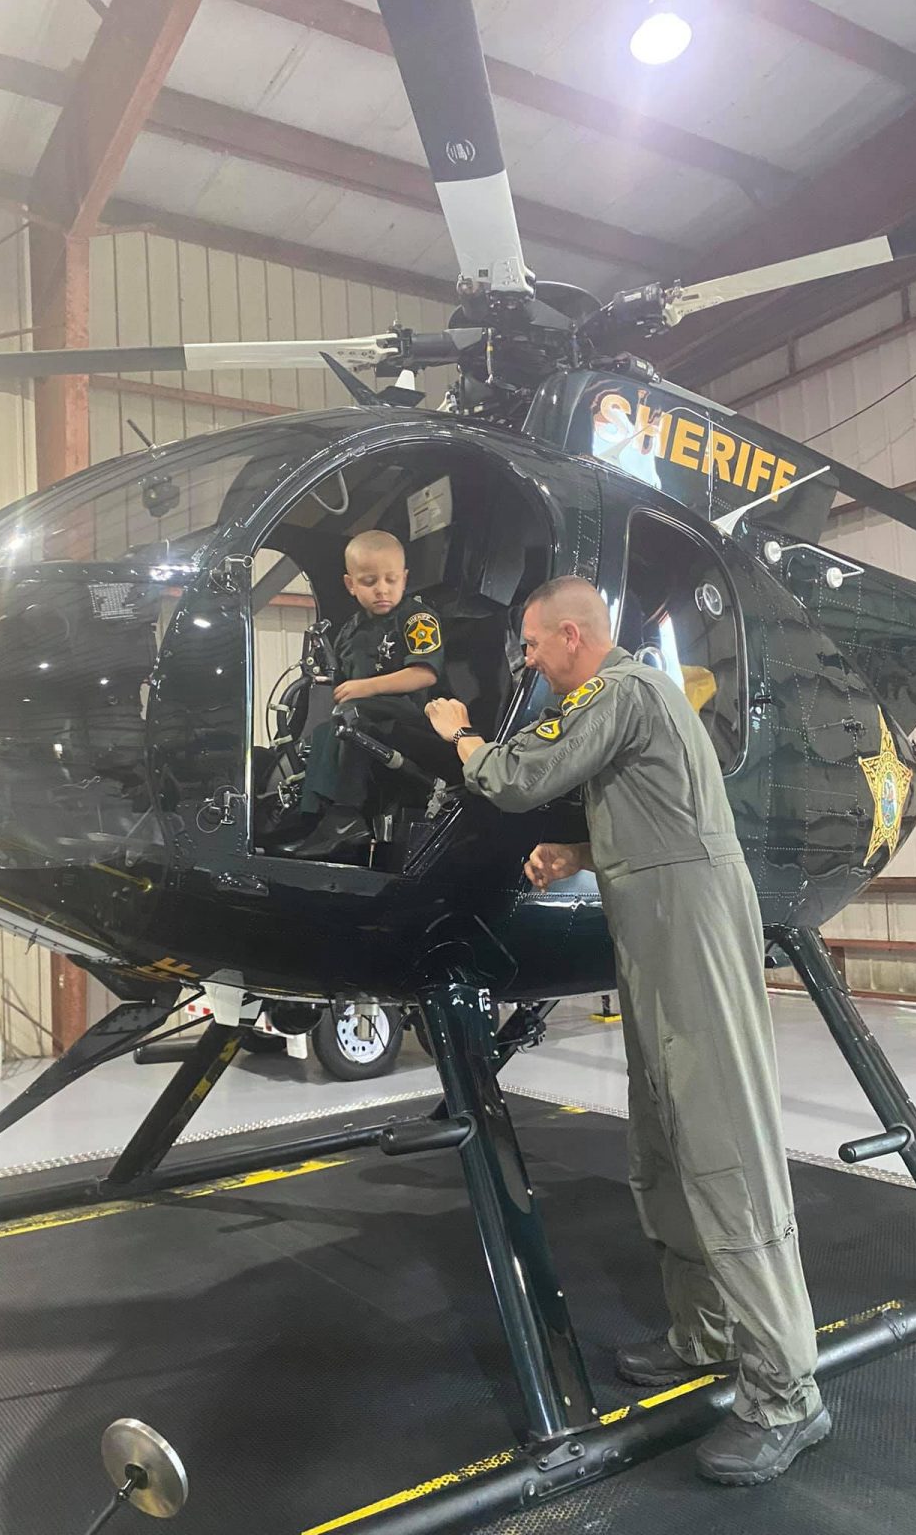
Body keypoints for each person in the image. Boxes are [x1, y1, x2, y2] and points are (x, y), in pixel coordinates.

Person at [423, 575, 830, 1487]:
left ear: (573, 636)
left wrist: (460, 733)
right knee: (666, 1141)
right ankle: (706, 1336)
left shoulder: (618, 689)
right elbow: (653, 809)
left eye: (534, 645)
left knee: (724, 1150)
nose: (530, 662)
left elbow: (516, 777)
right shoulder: (639, 701)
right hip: (653, 939)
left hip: (689, 936)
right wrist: (581, 849)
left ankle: (787, 1394)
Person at [277, 530, 445, 860]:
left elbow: (424, 673)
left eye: (391, 580)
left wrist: (366, 688)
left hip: (412, 719)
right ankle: (313, 817)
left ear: (404, 578)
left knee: (352, 715)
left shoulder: (416, 619)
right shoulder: (349, 631)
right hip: (363, 716)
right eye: (369, 581)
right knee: (324, 731)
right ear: (351, 584)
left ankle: (345, 816)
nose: (382, 589)